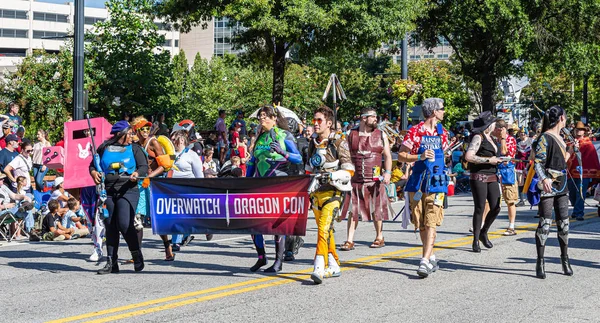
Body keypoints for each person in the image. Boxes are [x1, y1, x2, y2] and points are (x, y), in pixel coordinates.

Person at [246, 105, 302, 273]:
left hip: (279, 185)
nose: (262, 119)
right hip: (259, 185)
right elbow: (253, 161)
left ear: (274, 118)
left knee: (277, 224)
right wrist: (246, 181)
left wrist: (283, 153)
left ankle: (278, 261)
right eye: (260, 117)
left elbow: (298, 158)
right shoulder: (260, 137)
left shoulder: (285, 135)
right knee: (252, 223)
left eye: (266, 116)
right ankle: (261, 257)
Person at [397, 98, 450, 278]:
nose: (444, 112)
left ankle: (424, 260)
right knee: (420, 223)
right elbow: (402, 156)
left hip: (437, 183)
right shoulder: (415, 132)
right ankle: (431, 256)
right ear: (434, 112)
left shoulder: (443, 133)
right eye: (442, 109)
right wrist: (418, 156)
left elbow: (445, 154)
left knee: (431, 222)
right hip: (418, 182)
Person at [90, 120, 148, 274]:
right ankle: (111, 263)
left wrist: (137, 174)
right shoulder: (103, 148)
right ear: (119, 134)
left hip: (128, 190)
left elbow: (143, 167)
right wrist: (94, 173)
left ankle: (136, 255)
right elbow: (92, 165)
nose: (132, 136)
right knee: (110, 225)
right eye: (129, 133)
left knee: (124, 224)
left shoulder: (135, 149)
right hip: (107, 191)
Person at [305, 106, 354, 284]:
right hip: (316, 194)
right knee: (328, 232)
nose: (316, 124)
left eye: (319, 120)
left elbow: (349, 170)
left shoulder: (339, 142)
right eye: (314, 120)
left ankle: (318, 266)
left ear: (329, 123)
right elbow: (309, 168)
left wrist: (332, 175)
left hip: (334, 192)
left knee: (323, 229)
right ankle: (334, 264)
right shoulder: (312, 143)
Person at [340, 107, 392, 251]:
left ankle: (379, 236)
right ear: (364, 118)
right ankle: (350, 240)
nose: (376, 119)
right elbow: (344, 154)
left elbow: (387, 155)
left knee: (377, 208)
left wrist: (387, 172)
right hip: (355, 178)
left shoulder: (381, 135)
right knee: (353, 210)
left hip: (374, 179)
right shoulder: (350, 134)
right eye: (373, 116)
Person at [532, 106, 575, 279]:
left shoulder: (562, 138)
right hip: (549, 185)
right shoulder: (545, 137)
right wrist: (544, 179)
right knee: (545, 224)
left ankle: (565, 259)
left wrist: (572, 150)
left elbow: (562, 161)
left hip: (562, 185)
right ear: (562, 118)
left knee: (564, 224)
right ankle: (540, 261)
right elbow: (538, 162)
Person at [132, 117, 174, 261]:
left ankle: (167, 246)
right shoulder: (135, 144)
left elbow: (165, 165)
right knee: (137, 217)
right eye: (142, 129)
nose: (145, 131)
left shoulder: (153, 142)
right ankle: (137, 254)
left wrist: (150, 176)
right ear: (136, 130)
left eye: (147, 129)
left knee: (157, 217)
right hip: (140, 184)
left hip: (154, 183)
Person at [465, 111, 502, 253]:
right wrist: (488, 160)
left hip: (492, 175)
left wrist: (499, 160)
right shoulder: (478, 137)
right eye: (493, 122)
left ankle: (483, 231)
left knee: (496, 206)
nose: (495, 124)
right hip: (479, 176)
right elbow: (469, 156)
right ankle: (475, 240)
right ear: (488, 124)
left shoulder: (491, 138)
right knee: (480, 208)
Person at [170, 130, 205, 250]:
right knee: (176, 214)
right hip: (172, 188)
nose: (173, 140)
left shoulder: (192, 155)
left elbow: (199, 174)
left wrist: (201, 189)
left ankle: (177, 240)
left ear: (182, 140)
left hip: (187, 188)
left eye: (175, 138)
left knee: (181, 215)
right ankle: (182, 236)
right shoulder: (170, 153)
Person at [567, 121, 600, 221]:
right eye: (577, 129)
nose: (579, 131)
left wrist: (594, 173)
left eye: (581, 130)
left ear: (584, 132)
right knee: (572, 193)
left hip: (584, 173)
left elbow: (592, 159)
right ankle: (576, 209)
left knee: (580, 193)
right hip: (571, 173)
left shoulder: (588, 144)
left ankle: (579, 213)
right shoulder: (570, 143)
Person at [494, 120, 519, 236]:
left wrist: (503, 138)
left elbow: (504, 152)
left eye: (497, 129)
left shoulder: (510, 139)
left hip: (507, 169)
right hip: (496, 169)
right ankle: (482, 223)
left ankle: (511, 226)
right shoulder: (494, 140)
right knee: (489, 200)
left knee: (510, 199)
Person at [515, 129, 532, 206]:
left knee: (530, 181)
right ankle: (521, 200)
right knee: (520, 182)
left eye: (523, 133)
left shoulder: (531, 141)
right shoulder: (517, 142)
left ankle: (532, 199)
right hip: (520, 163)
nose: (522, 134)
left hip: (529, 163)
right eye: (521, 133)